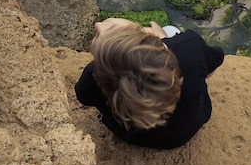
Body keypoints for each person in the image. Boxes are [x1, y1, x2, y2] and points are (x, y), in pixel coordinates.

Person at [75, 18, 224, 149]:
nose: (98, 25)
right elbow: (209, 72)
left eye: (99, 35)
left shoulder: (92, 76)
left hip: (129, 135)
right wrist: (165, 40)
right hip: (183, 133)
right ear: (149, 36)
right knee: (171, 29)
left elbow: (84, 98)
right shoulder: (190, 47)